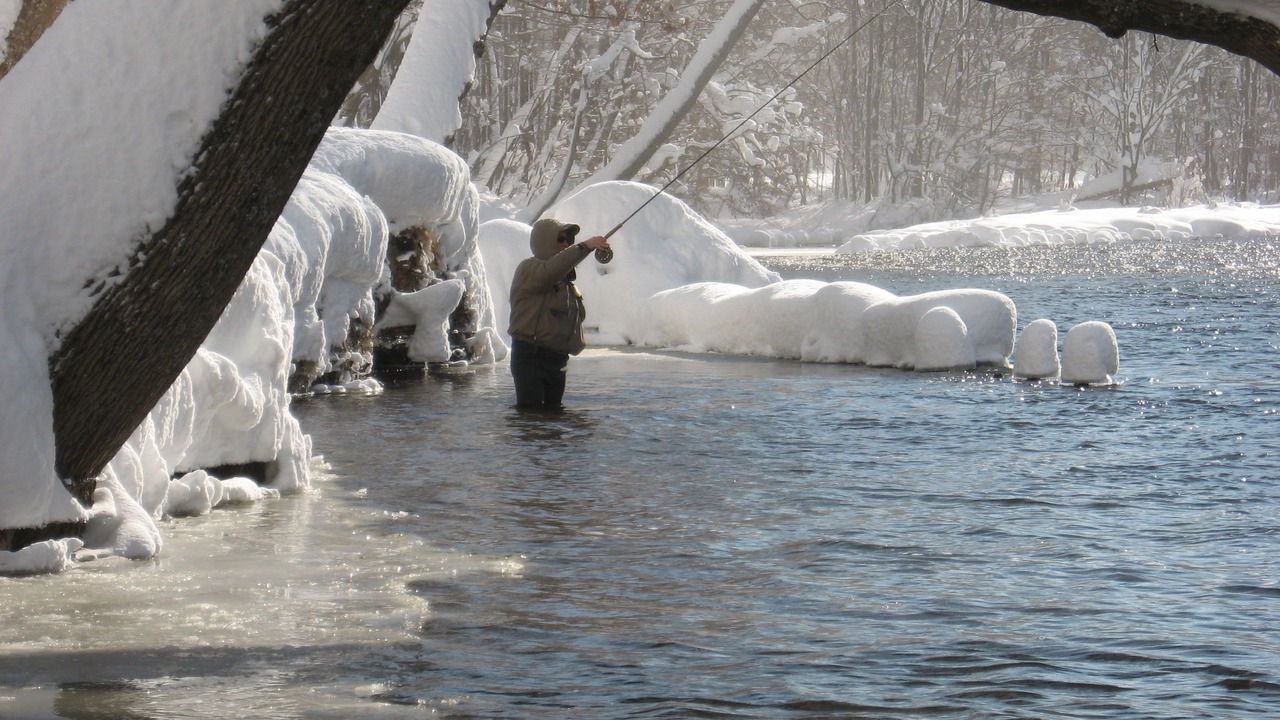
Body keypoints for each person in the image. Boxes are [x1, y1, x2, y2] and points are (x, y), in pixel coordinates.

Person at [507, 217, 611, 410]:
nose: (565, 244)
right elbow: (550, 270)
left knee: (554, 417)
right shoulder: (529, 269)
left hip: (558, 360)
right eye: (560, 239)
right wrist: (585, 246)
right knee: (532, 418)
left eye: (568, 240)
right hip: (531, 357)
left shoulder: (566, 283)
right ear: (544, 241)